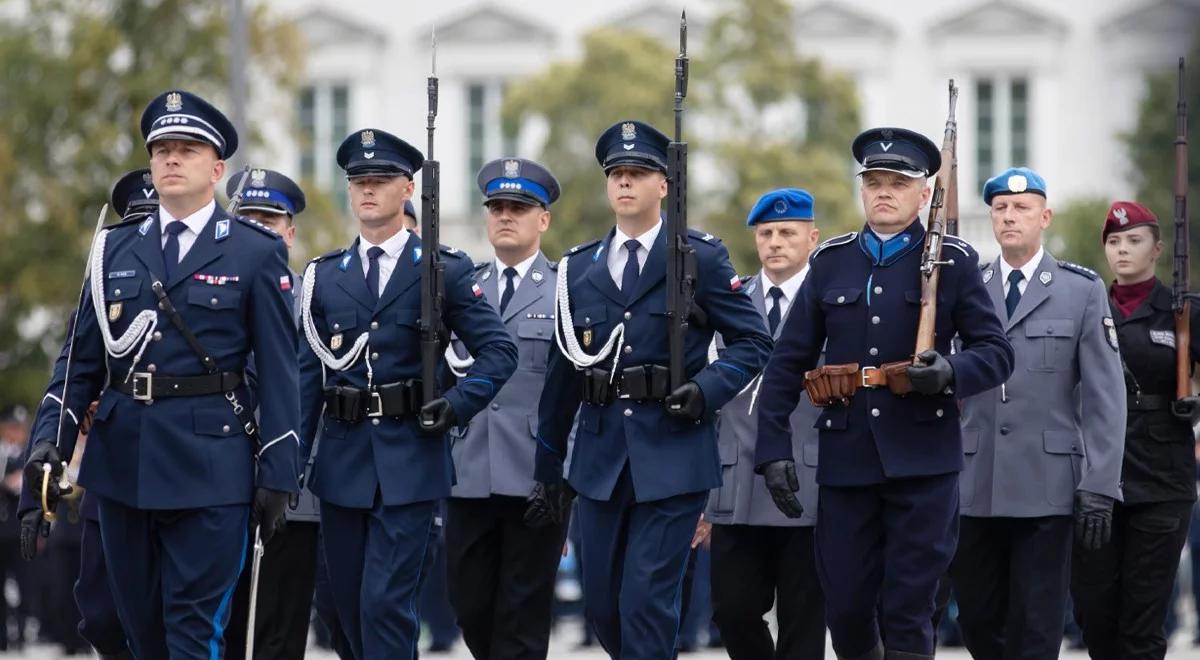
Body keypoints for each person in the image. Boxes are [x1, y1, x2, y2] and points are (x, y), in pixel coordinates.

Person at [19, 89, 299, 659]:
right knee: (140, 633)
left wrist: (280, 472)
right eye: (161, 149)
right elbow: (78, 367)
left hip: (212, 468)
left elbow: (278, 373)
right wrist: (47, 445)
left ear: (217, 168)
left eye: (187, 149)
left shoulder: (254, 252)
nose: (171, 159)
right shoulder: (112, 251)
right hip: (124, 467)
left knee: (192, 633)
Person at [755, 126, 1014, 660]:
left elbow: (997, 352)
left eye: (897, 182)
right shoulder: (832, 260)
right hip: (848, 460)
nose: (883, 191)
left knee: (909, 607)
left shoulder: (956, 260)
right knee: (846, 608)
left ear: (924, 193)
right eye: (874, 181)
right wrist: (773, 447)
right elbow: (788, 361)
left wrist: (950, 370)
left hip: (924, 460)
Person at [527, 119, 773, 660]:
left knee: (646, 600)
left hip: (674, 453)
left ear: (663, 184)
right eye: (616, 173)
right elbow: (564, 373)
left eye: (637, 173)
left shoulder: (699, 258)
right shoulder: (577, 268)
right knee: (603, 607)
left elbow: (754, 342)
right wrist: (548, 471)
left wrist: (706, 389)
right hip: (599, 459)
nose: (624, 183)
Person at [297, 127, 517, 659]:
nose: (368, 190)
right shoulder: (323, 277)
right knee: (344, 612)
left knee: (384, 606)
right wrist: (288, 464)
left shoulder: (443, 269)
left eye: (380, 180)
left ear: (408, 189)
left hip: (410, 458)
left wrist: (457, 402)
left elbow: (498, 352)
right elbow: (307, 378)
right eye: (358, 181)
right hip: (343, 459)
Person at [949, 167, 1126, 659]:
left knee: (1037, 621)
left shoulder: (1080, 290)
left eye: (1022, 208)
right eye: (1001, 208)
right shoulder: (967, 287)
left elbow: (1105, 398)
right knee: (978, 619)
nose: (1010, 217)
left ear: (1044, 217)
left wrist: (1100, 484)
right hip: (973, 481)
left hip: (1048, 486)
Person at [444, 157, 567, 660]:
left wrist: (562, 474)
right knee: (469, 603)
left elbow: (571, 388)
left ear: (543, 219)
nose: (505, 216)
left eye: (518, 207)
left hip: (534, 472)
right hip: (467, 468)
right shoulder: (460, 288)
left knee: (524, 610)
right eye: (496, 207)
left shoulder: (563, 289)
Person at [1070, 200, 1200, 659]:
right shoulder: (1087, 307)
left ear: (1158, 249)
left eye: (1134, 240)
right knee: (1095, 613)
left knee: (1143, 619)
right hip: (1097, 477)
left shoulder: (1183, 310)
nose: (1122, 249)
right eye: (1114, 241)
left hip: (1163, 477)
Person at [706, 188, 826, 659]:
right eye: (766, 233)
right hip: (737, 482)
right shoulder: (727, 301)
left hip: (808, 479)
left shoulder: (830, 303)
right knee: (731, 610)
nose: (775, 242)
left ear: (812, 237)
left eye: (787, 232)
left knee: (803, 617)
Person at [222, 167, 317, 660]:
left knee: (281, 627)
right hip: (220, 483)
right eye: (249, 218)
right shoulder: (215, 292)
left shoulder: (314, 297)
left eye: (271, 220)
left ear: (290, 232)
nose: (260, 228)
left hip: (293, 491)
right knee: (222, 626)